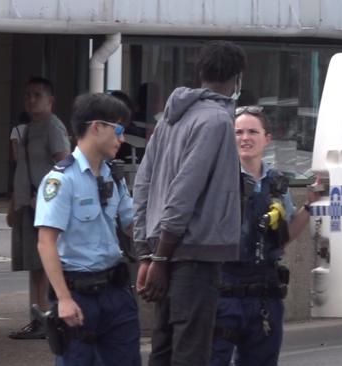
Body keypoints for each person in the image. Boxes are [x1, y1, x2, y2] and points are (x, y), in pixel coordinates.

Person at [133, 40, 246, 366]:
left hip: (163, 251)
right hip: (193, 255)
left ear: (200, 72)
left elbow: (143, 182)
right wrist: (159, 257)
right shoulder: (216, 121)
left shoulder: (170, 119)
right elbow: (185, 190)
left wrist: (147, 253)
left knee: (163, 349)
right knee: (190, 352)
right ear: (238, 78)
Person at [35, 93, 140, 365]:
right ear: (96, 127)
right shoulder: (60, 180)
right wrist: (64, 299)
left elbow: (132, 225)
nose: (122, 138)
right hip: (78, 296)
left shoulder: (113, 176)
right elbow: (46, 243)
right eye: (118, 130)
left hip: (116, 292)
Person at [210, 106, 316, 366]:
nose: (245, 138)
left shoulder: (276, 182)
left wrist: (310, 206)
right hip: (224, 287)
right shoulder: (217, 179)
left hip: (265, 291)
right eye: (238, 132)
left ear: (267, 138)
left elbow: (283, 236)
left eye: (252, 132)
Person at [9, 77, 71, 340]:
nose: (31, 99)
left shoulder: (53, 127)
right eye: (27, 95)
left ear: (50, 100)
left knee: (44, 264)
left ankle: (47, 319)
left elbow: (64, 164)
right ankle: (37, 317)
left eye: (37, 95)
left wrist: (47, 198)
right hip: (26, 203)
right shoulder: (28, 128)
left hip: (43, 206)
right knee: (34, 266)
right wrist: (14, 202)